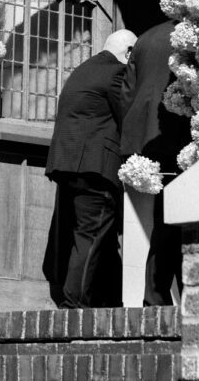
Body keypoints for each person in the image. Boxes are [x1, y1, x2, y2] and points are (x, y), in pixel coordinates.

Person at [43, 29, 137, 308]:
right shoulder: (116, 72)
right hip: (95, 168)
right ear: (129, 52)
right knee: (92, 233)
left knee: (94, 236)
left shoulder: (84, 69)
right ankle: (74, 306)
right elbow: (127, 118)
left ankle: (104, 301)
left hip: (70, 165)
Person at [120, 20, 191, 305]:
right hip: (181, 132)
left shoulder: (145, 37)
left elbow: (126, 94)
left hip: (147, 136)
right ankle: (179, 295)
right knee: (183, 219)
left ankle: (156, 295)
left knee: (165, 218)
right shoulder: (197, 32)